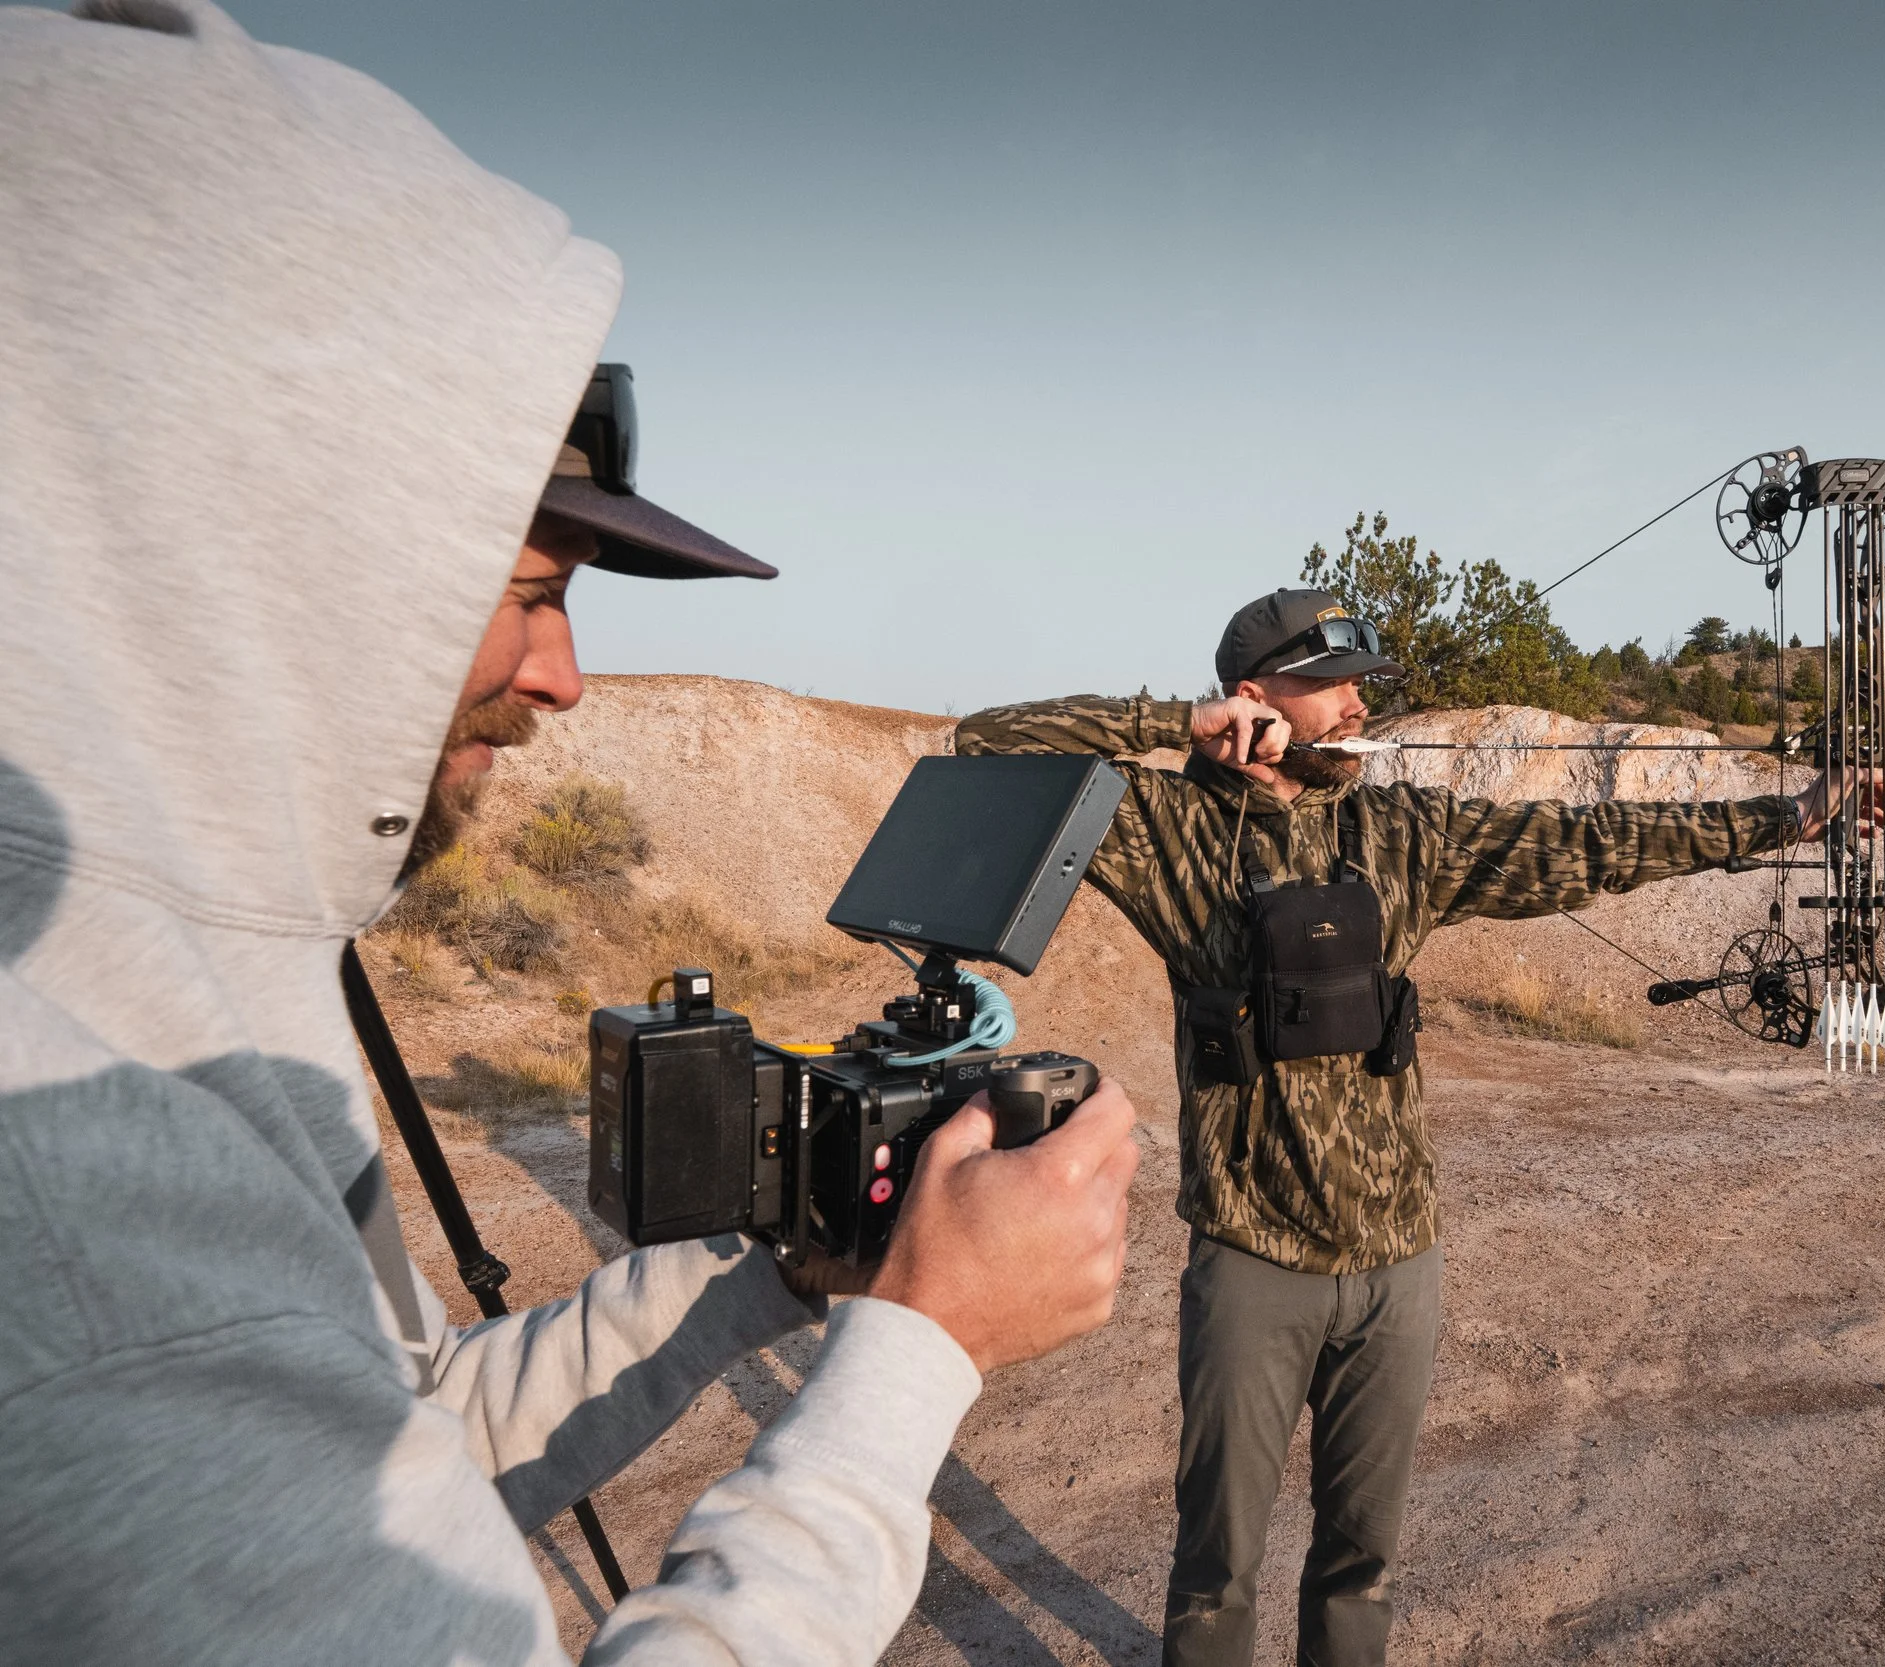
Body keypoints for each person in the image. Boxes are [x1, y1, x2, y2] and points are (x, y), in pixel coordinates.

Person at [0, 4, 1136, 1664]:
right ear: (245, 544)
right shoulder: (82, 1187)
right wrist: (922, 1345)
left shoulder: (139, 1011)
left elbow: (410, 1448)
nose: (563, 675)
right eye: (528, 592)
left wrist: (797, 1268)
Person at [956, 589, 1885, 1666]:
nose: (1362, 702)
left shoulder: (1399, 831)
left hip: (1399, 1261)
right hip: (1250, 1255)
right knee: (1216, 1567)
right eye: (1335, 684)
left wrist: (1798, 812)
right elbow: (984, 747)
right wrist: (1176, 724)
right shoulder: (1165, 828)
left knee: (1363, 1559)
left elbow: (1598, 840)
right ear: (1258, 699)